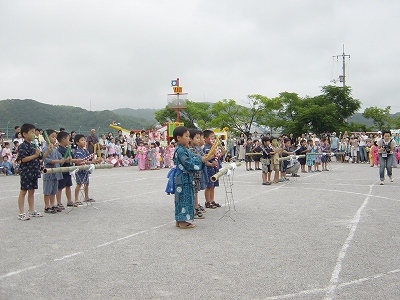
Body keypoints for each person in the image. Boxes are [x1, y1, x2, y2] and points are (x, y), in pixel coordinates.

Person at [173, 126, 208, 229]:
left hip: (186, 176)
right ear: (178, 138)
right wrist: (201, 160)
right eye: (187, 136)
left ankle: (180, 220)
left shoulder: (185, 149)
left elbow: (194, 157)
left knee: (184, 198)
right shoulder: (180, 150)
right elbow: (188, 163)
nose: (188, 138)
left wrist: (203, 158)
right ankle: (181, 221)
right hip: (182, 177)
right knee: (183, 198)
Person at [17, 123, 51, 220]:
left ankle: (31, 211)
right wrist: (35, 156)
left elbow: (40, 159)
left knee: (32, 191)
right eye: (31, 132)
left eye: (34, 132)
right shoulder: (22, 146)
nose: (34, 134)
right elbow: (22, 159)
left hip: (34, 170)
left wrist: (48, 151)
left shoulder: (34, 145)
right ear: (24, 134)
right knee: (23, 191)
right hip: (26, 171)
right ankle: (21, 212)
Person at [56, 131, 82, 208]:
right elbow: (65, 160)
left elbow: (72, 158)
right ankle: (59, 202)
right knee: (60, 187)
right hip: (62, 170)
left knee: (68, 185)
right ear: (63, 139)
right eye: (68, 139)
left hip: (68, 170)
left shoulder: (68, 148)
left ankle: (69, 200)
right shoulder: (59, 150)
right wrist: (75, 160)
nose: (69, 141)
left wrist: (78, 160)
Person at [42, 129, 65, 213]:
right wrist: (59, 161)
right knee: (47, 190)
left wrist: (64, 159)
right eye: (52, 137)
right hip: (48, 172)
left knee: (53, 190)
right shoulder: (45, 148)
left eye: (55, 137)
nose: (54, 139)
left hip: (56, 172)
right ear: (46, 138)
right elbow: (47, 160)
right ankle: (47, 206)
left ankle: (52, 204)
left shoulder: (55, 149)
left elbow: (60, 157)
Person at [73, 134, 95, 205]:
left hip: (85, 169)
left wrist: (95, 160)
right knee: (79, 184)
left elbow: (89, 158)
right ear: (77, 142)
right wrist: (91, 162)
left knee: (86, 183)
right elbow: (81, 161)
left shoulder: (85, 150)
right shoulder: (78, 151)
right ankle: (76, 199)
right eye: (82, 140)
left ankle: (86, 197)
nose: (84, 142)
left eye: (85, 140)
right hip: (79, 170)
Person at [189, 129, 205, 219]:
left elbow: (203, 157)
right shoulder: (189, 149)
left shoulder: (196, 148)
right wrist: (204, 159)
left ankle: (195, 207)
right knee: (193, 191)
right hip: (193, 173)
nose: (199, 140)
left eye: (200, 138)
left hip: (198, 173)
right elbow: (198, 159)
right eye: (197, 138)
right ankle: (193, 209)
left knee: (196, 191)